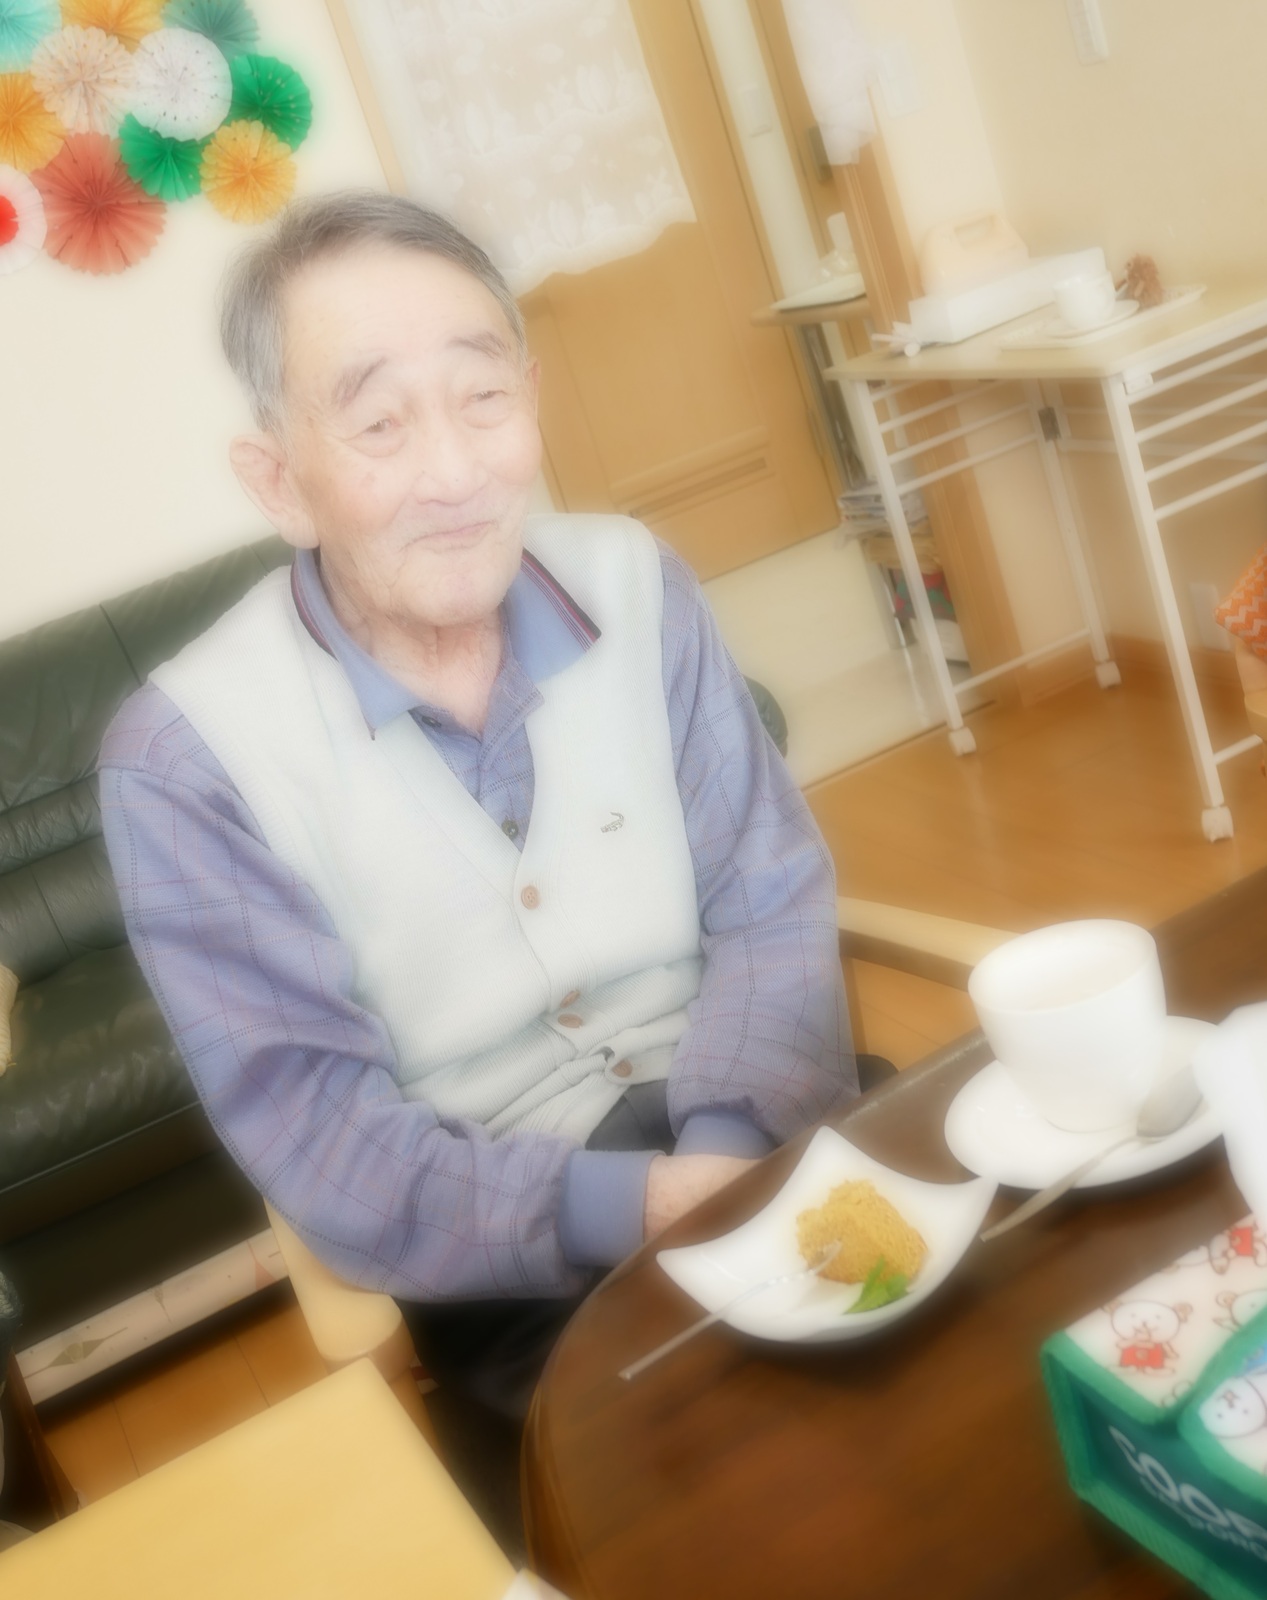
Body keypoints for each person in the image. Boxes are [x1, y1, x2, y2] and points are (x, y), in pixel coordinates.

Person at [99, 191, 856, 1417]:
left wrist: (721, 1153)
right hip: (516, 1260)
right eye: (378, 423)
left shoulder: (634, 579)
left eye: (483, 396)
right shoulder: (183, 762)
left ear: (532, 399)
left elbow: (768, 894)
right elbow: (321, 1131)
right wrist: (639, 1207)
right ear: (280, 482)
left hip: (757, 1126)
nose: (454, 474)